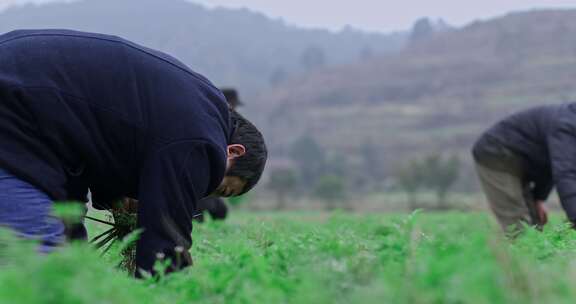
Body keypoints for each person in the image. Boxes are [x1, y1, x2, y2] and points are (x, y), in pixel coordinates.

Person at [0, 29, 267, 274]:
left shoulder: (195, 107)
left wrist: (121, 194)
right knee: (38, 260)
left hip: (32, 104)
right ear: (233, 151)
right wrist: (171, 289)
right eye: (222, 189)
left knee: (70, 259)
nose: (205, 193)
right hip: (16, 105)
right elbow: (165, 242)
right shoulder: (200, 140)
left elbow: (102, 130)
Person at [472, 103, 576, 234]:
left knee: (536, 225)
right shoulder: (566, 125)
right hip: (496, 154)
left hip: (521, 162)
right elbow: (566, 174)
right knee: (518, 227)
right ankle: (500, 252)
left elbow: (552, 164)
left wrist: (539, 197)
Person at [196, 88, 243, 222]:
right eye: (234, 104)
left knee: (220, 211)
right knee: (203, 211)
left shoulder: (225, 121)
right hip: (202, 175)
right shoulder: (215, 118)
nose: (235, 109)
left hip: (211, 177)